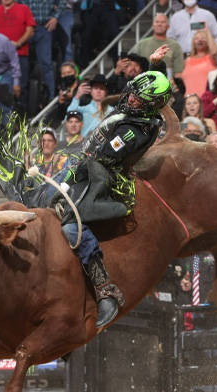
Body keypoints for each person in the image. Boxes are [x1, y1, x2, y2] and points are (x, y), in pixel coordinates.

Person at [59, 57, 173, 328]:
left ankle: (104, 288)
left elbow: (103, 157)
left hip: (105, 177)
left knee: (71, 226)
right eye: (132, 93)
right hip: (82, 164)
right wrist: (156, 65)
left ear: (152, 104)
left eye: (138, 99)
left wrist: (69, 177)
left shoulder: (137, 130)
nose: (131, 99)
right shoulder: (132, 109)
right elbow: (152, 85)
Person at [133, 13, 186, 78]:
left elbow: (178, 72)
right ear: (153, 25)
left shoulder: (175, 46)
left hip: (167, 83)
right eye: (157, 22)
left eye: (163, 22)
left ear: (168, 26)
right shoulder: (141, 44)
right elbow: (133, 67)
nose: (159, 24)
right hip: (145, 83)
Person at [181, 28, 217, 95]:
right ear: (193, 43)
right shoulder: (187, 60)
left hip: (205, 100)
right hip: (188, 101)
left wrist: (208, 31)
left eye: (203, 38)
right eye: (197, 38)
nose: (200, 40)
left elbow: (215, 53)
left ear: (208, 42)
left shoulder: (211, 59)